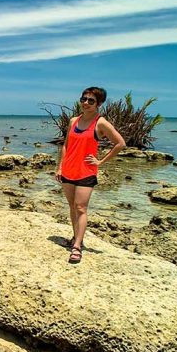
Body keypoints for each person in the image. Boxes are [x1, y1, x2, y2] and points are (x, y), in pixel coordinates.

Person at [55, 86, 125, 264]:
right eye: (83, 99)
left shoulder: (100, 123)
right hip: (68, 170)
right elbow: (66, 145)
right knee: (72, 206)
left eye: (91, 101)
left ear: (99, 104)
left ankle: (77, 246)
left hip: (86, 172)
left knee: (81, 208)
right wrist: (59, 167)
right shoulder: (73, 121)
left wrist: (101, 161)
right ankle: (75, 238)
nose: (86, 103)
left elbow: (120, 143)